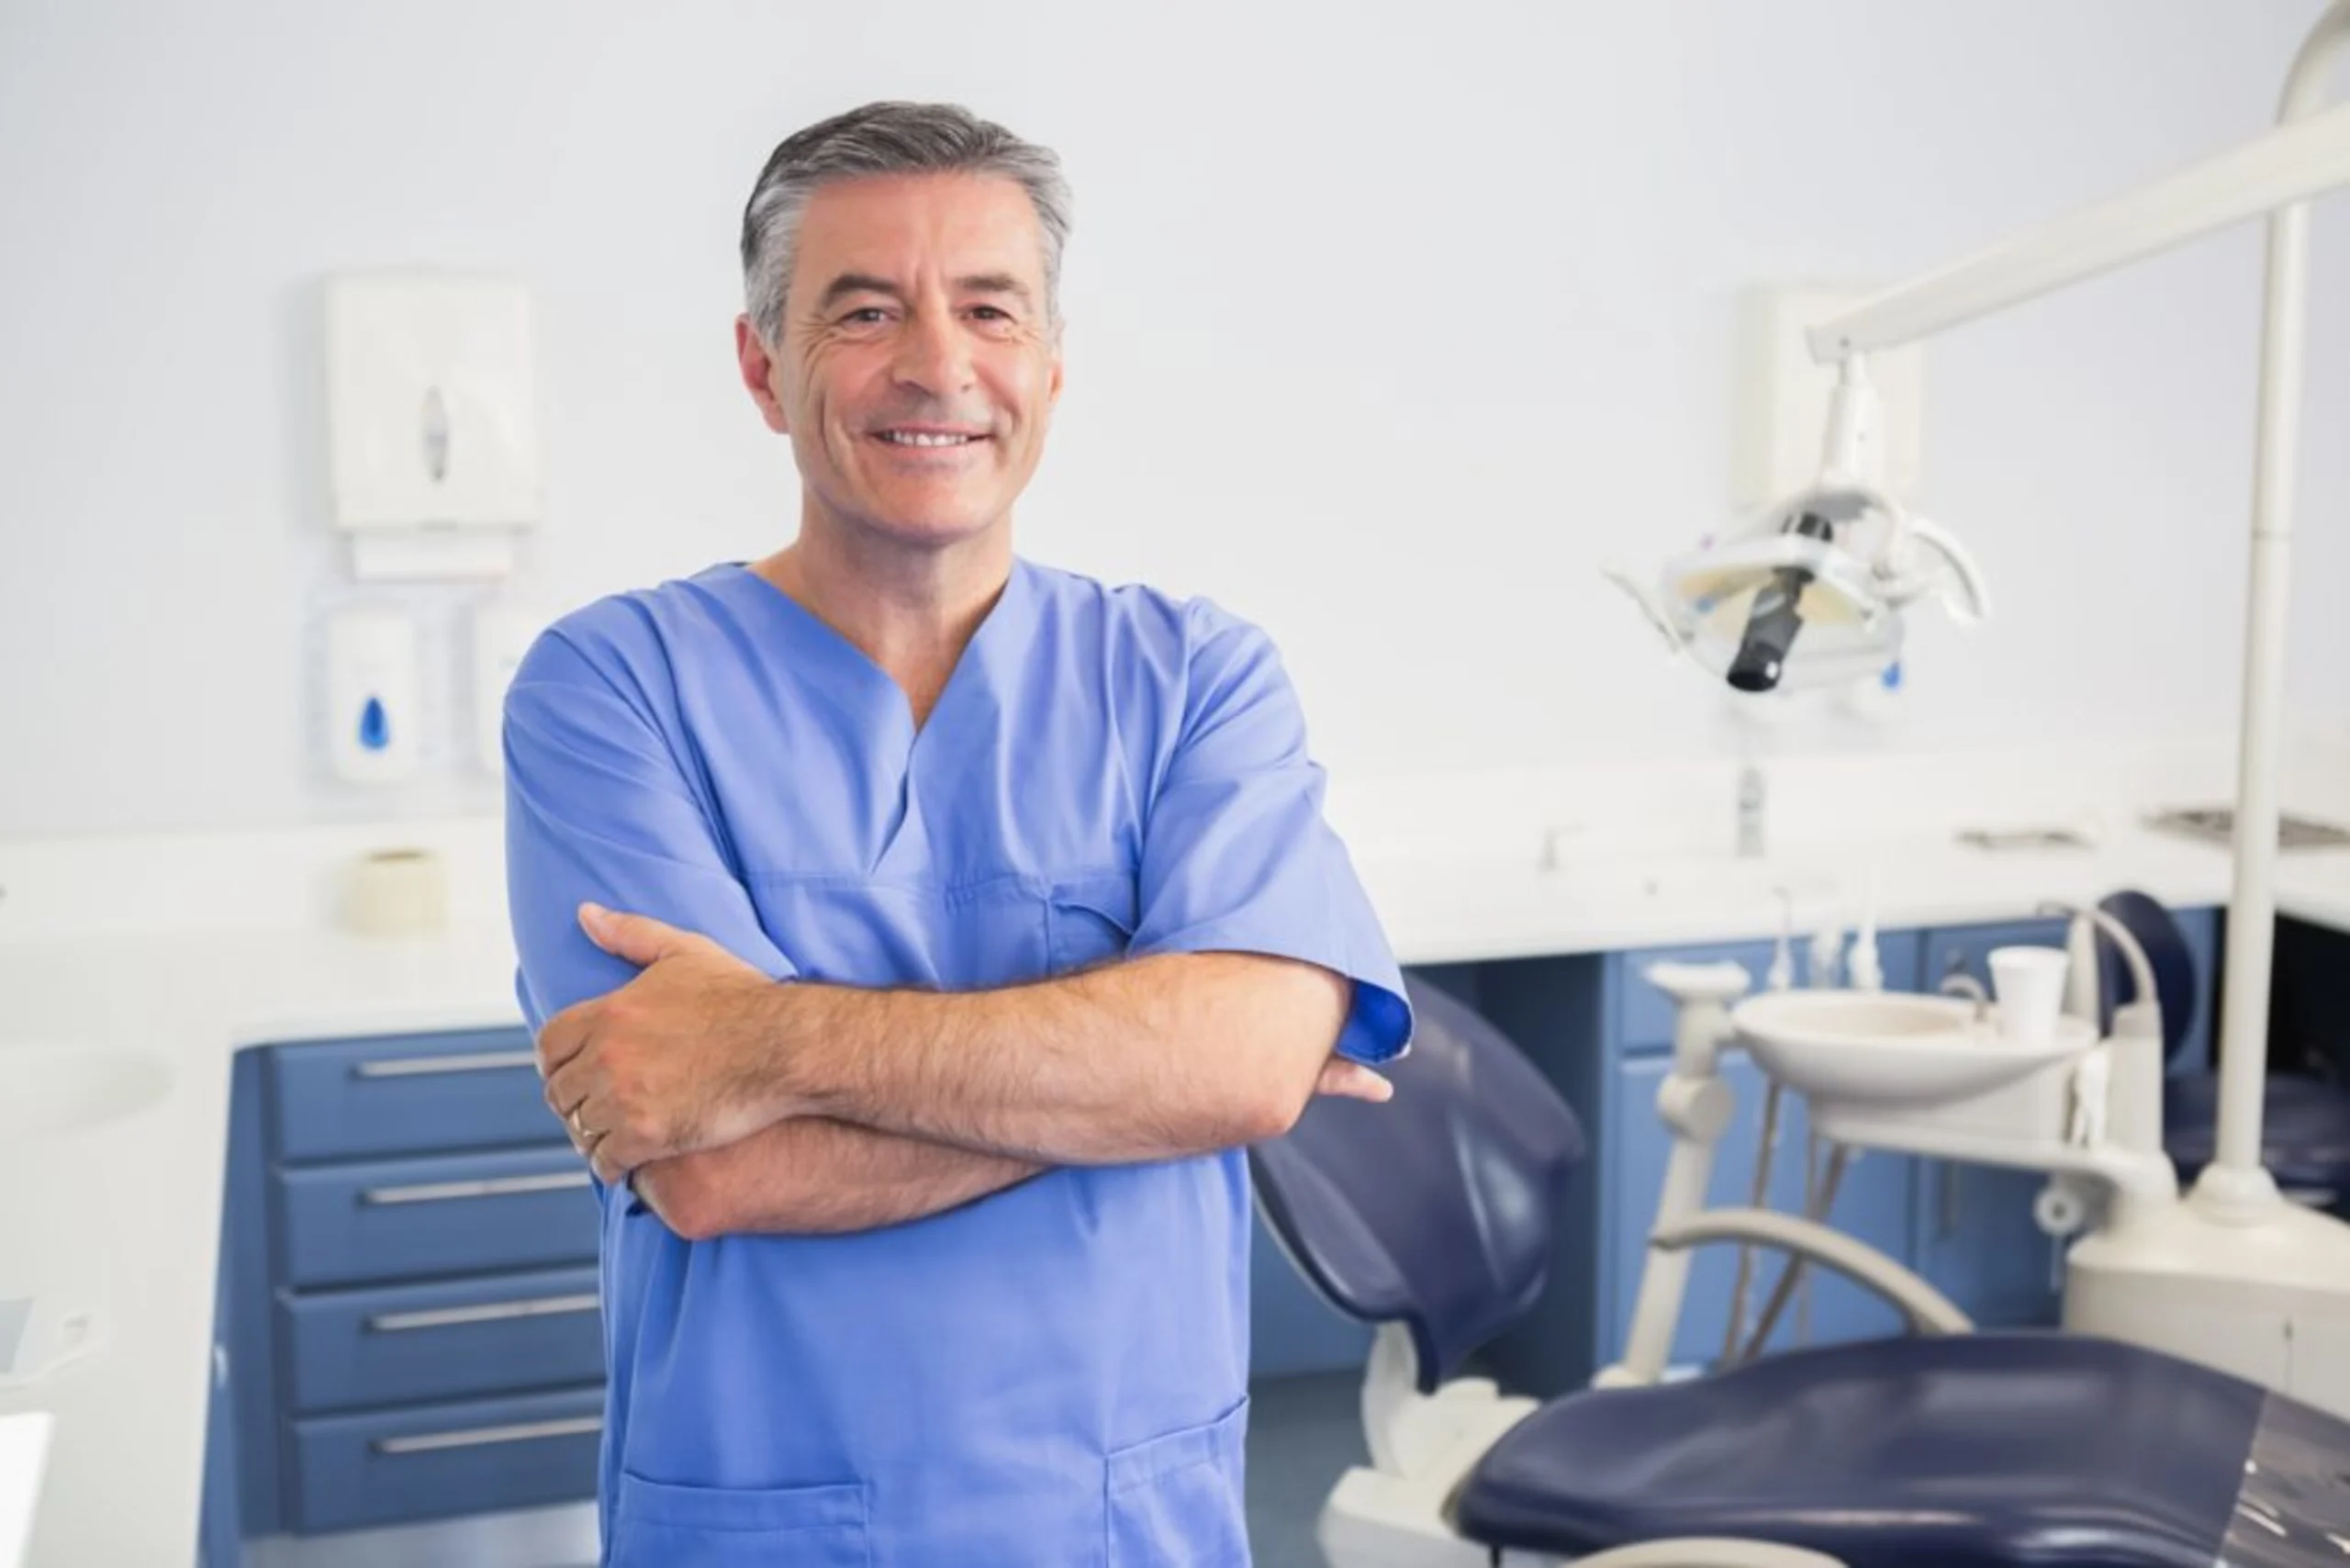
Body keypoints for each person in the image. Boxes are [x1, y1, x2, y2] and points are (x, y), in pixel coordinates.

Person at [503, 99, 1412, 1567]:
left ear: (1051, 365)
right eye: (864, 311)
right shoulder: (615, 688)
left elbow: (1236, 1072)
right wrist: (1148, 1080)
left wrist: (767, 1044)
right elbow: (712, 1168)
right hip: (764, 1517)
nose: (939, 364)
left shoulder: (1191, 678)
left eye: (989, 308)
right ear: (761, 365)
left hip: (1122, 1522)